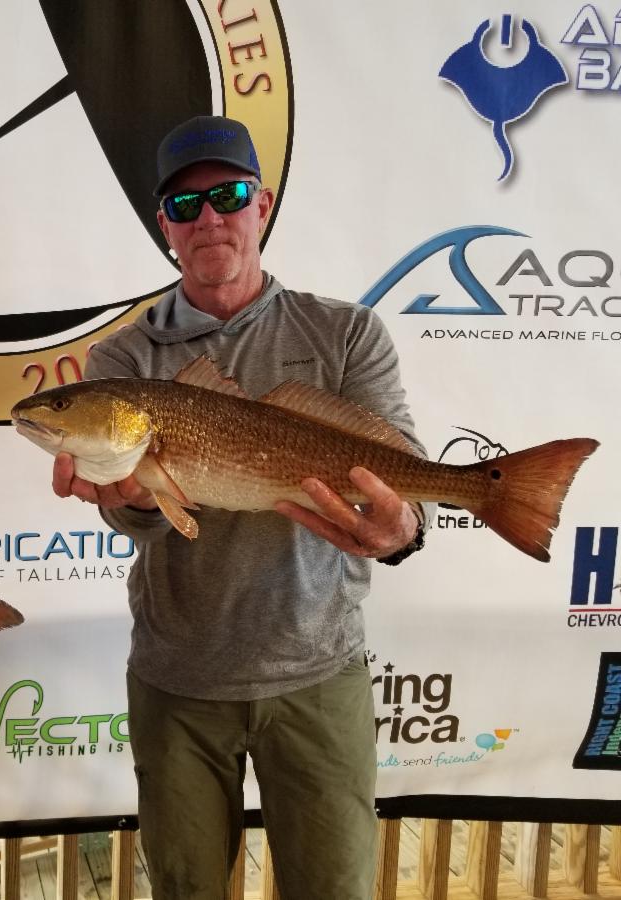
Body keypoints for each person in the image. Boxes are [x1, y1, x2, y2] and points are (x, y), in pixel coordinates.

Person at [51, 115, 429, 900]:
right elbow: (130, 517)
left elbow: (405, 484)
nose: (208, 219)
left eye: (226, 196)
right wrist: (135, 501)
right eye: (184, 206)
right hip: (179, 681)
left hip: (319, 673)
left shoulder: (346, 333)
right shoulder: (125, 358)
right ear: (165, 225)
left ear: (262, 204)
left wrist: (400, 530)